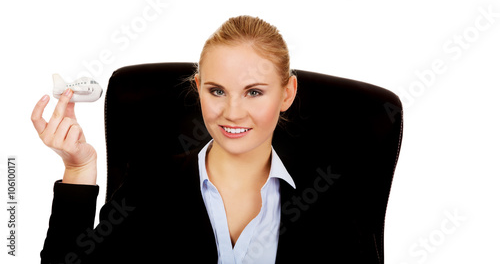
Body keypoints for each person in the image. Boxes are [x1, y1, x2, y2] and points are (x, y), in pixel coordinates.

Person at [32, 16, 381, 263]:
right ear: (198, 89)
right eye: (217, 91)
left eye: (254, 92)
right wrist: (79, 168)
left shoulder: (334, 202)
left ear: (287, 93)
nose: (233, 112)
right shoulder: (149, 186)